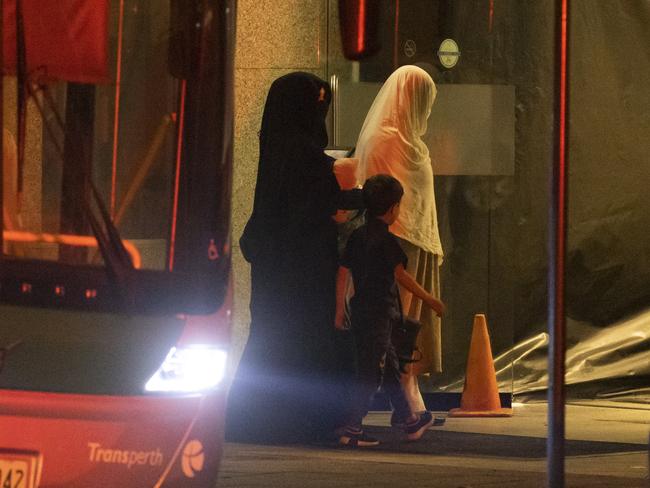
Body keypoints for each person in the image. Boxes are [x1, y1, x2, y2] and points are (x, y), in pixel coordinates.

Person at [226, 72, 359, 443]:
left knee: (272, 336)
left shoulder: (276, 147)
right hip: (305, 264)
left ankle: (258, 416)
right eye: (316, 102)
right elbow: (319, 205)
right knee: (305, 336)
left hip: (275, 265)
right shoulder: (305, 155)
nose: (320, 110)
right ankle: (305, 419)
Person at [355, 65, 443, 416]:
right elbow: (376, 190)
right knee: (398, 324)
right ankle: (403, 403)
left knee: (409, 326)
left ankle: (409, 395)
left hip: (417, 241)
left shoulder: (413, 144)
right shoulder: (385, 140)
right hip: (396, 243)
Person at [334, 174, 445, 447]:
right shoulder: (387, 242)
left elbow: (343, 272)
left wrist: (339, 309)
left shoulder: (357, 236)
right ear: (394, 208)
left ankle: (409, 420)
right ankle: (353, 427)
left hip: (360, 310)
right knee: (371, 372)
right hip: (380, 313)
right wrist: (431, 299)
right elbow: (401, 276)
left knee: (391, 365)